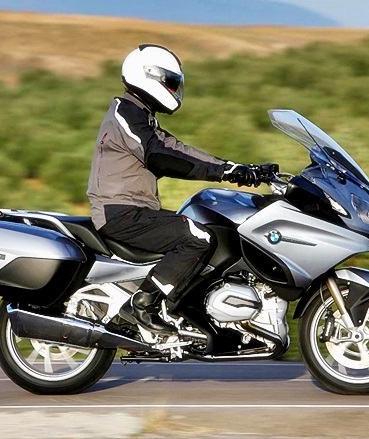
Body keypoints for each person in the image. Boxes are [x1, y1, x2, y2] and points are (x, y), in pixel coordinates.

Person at [87, 44, 258, 335]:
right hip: (122, 213)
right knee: (199, 237)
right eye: (170, 81)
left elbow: (179, 149)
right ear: (147, 76)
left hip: (133, 211)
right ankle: (143, 304)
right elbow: (159, 155)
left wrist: (235, 168)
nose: (174, 89)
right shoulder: (125, 115)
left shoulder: (141, 117)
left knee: (210, 230)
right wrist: (222, 172)